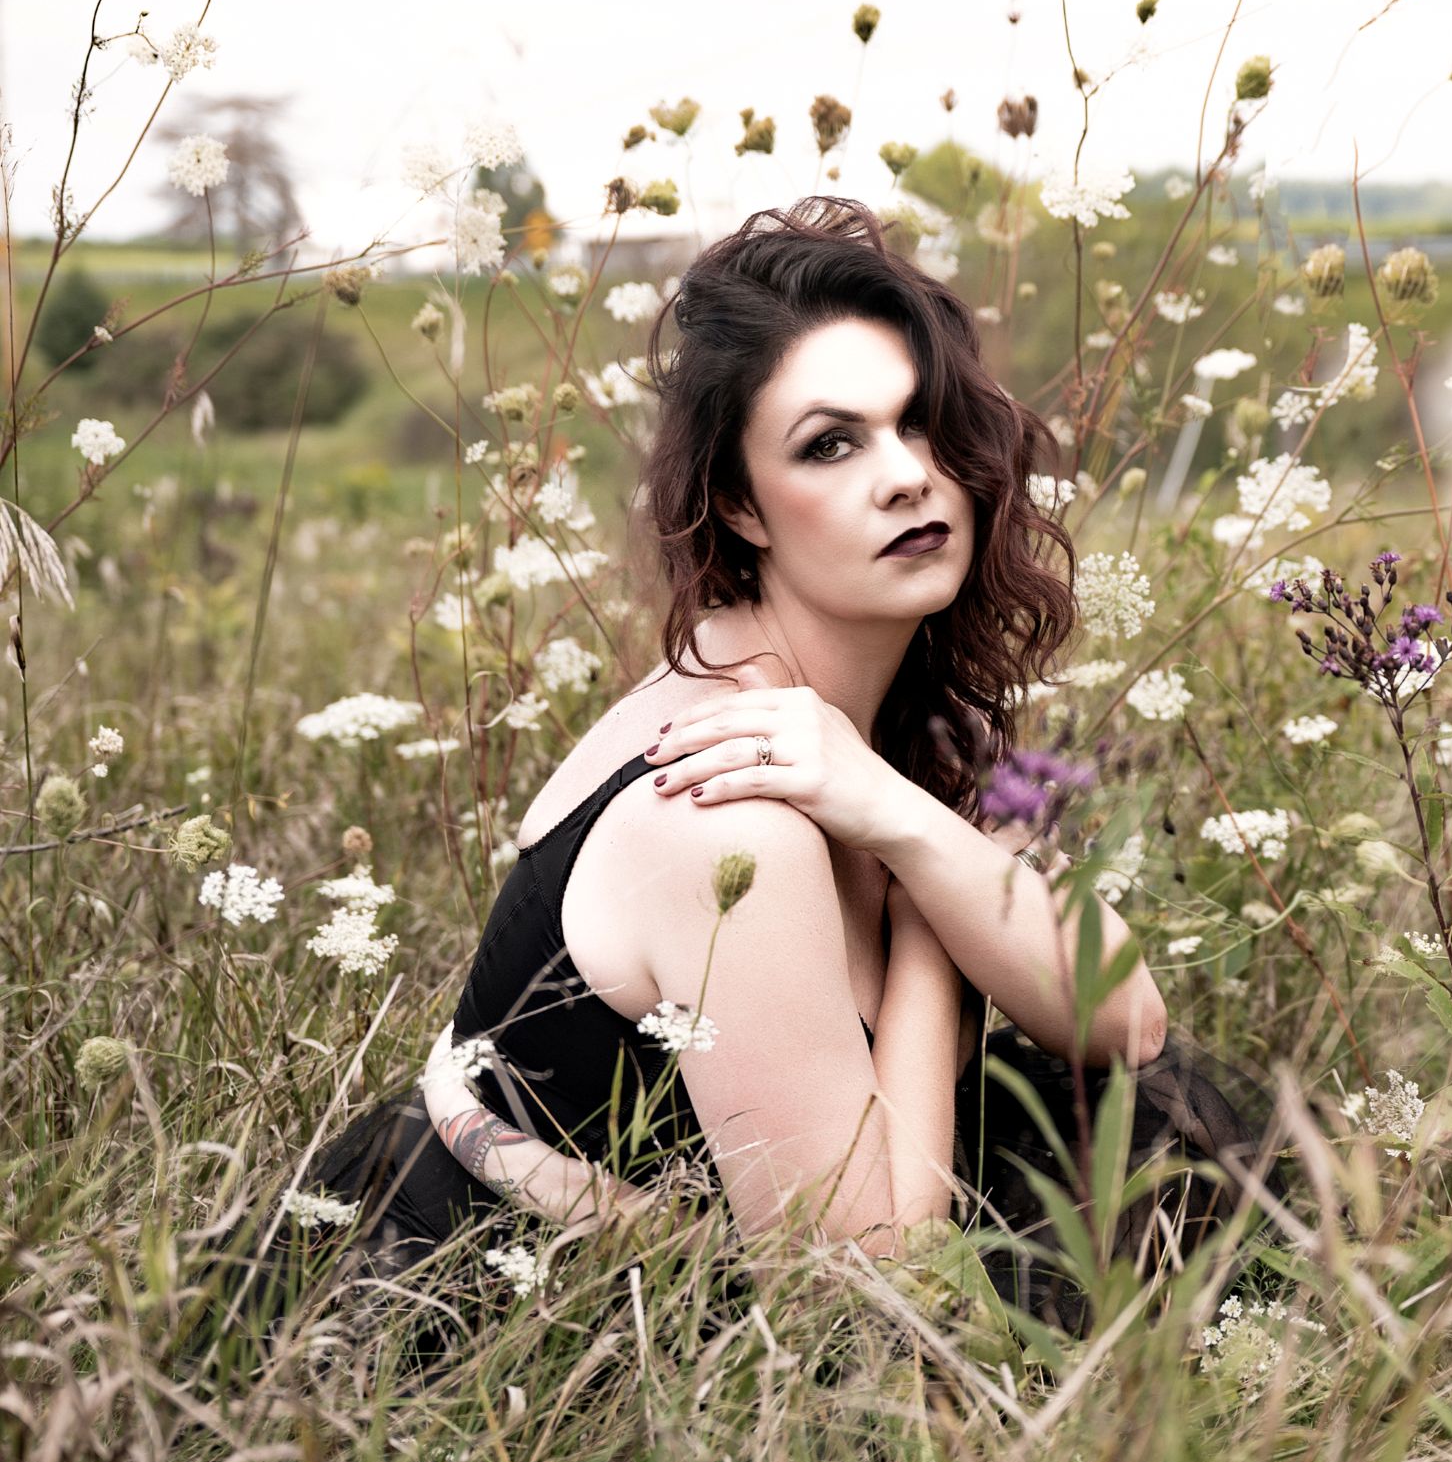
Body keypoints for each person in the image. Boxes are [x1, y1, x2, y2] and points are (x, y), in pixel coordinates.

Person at [301, 198, 1251, 1324]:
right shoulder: (722, 806)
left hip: (764, 1252)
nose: (905, 476)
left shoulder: (874, 731)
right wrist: (925, 926)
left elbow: (1124, 1023)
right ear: (741, 507)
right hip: (537, 1340)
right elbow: (867, 1291)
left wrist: (898, 817)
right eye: (830, 444)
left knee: (1161, 1132)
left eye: (921, 423)